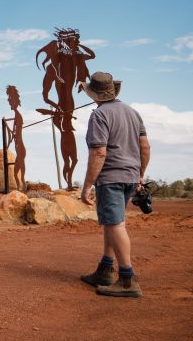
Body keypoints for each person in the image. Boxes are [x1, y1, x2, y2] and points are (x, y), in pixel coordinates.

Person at [79, 72, 150, 298]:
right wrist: (140, 175)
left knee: (115, 224)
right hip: (130, 177)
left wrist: (87, 185)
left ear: (94, 94)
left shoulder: (99, 115)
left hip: (111, 177)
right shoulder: (132, 112)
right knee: (113, 222)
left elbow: (99, 151)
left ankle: (127, 280)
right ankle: (106, 269)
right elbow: (145, 146)